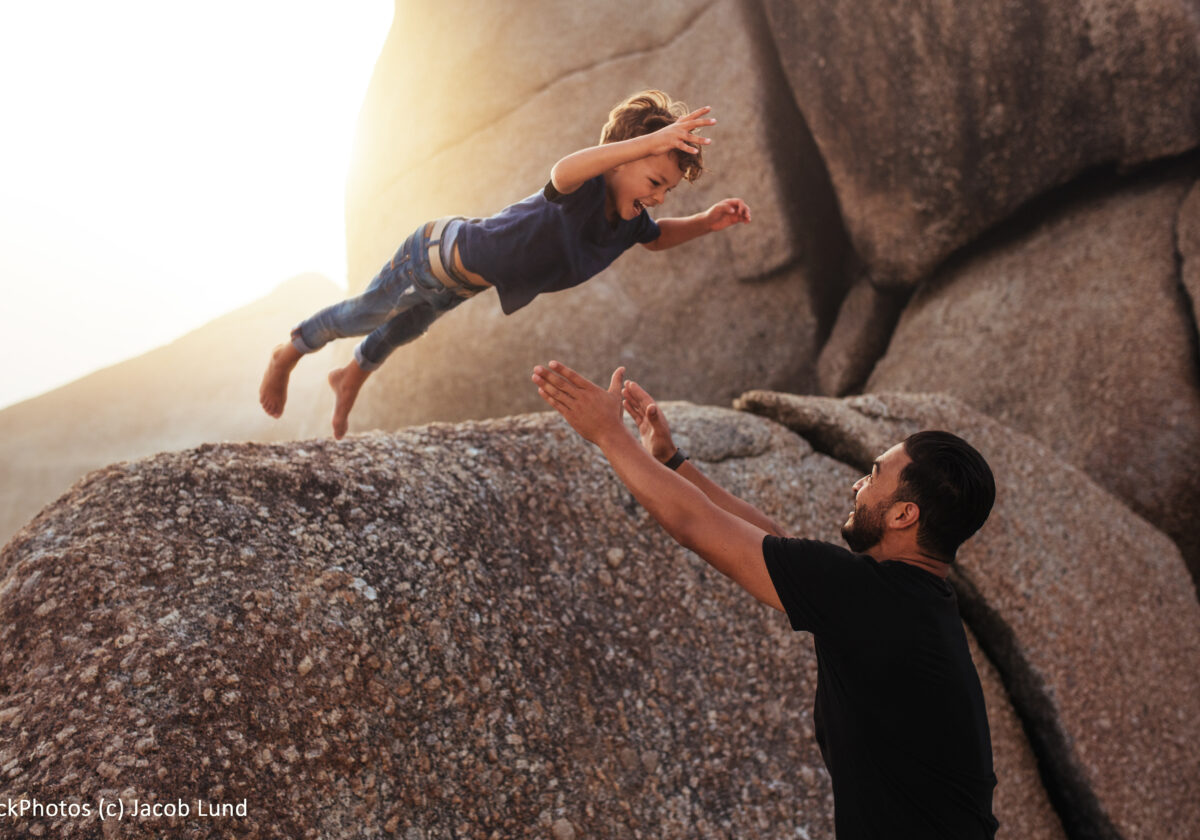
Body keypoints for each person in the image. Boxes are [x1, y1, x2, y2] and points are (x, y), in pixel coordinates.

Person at [530, 360, 1000, 839]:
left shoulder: (876, 599)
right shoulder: (908, 599)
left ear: (904, 514)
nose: (858, 485)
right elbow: (774, 540)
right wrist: (671, 461)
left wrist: (610, 435)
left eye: (875, 474)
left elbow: (694, 525)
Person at [259, 90, 751, 438]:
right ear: (619, 160)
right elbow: (563, 170)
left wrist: (707, 221)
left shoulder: (627, 222)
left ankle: (349, 376)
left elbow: (658, 239)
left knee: (403, 330)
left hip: (456, 284)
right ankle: (291, 349)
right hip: (430, 253)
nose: (660, 197)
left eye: (667, 189)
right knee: (366, 314)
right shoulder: (583, 189)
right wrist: (647, 142)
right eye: (655, 179)